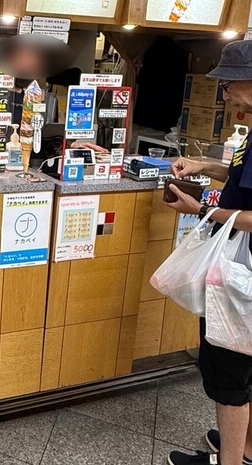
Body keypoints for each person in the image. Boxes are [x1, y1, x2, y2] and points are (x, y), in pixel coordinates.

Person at [166, 41, 252, 465]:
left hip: (241, 273)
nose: (225, 92)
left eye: (231, 83)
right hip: (244, 267)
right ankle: (246, 450)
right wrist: (204, 166)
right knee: (245, 364)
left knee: (228, 372)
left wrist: (201, 210)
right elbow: (241, 177)